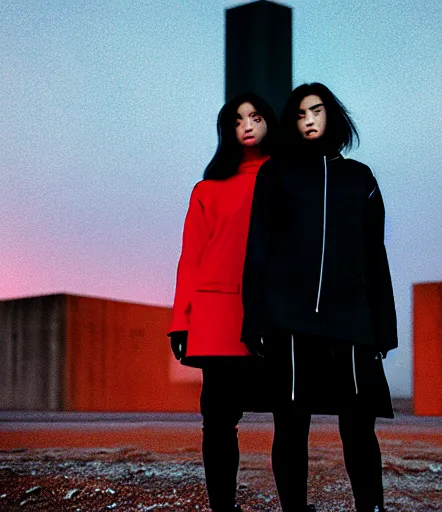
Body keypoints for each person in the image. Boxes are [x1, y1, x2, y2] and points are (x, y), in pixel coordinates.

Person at [242, 83, 398, 512]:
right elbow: (258, 250)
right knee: (291, 425)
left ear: (333, 115)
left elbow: (375, 254)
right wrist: (254, 319)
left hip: (350, 322)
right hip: (290, 322)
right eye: (299, 114)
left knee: (359, 426)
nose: (308, 120)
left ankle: (371, 507)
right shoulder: (276, 174)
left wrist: (383, 327)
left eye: (317, 110)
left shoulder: (360, 178)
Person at [168, 92, 278, 512]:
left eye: (255, 116)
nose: (246, 125)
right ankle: (223, 509)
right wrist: (181, 321)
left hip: (274, 317)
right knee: (217, 423)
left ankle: (292, 501)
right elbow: (190, 258)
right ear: (227, 131)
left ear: (269, 122)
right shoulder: (207, 189)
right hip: (216, 320)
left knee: (290, 421)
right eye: (236, 120)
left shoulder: (288, 179)